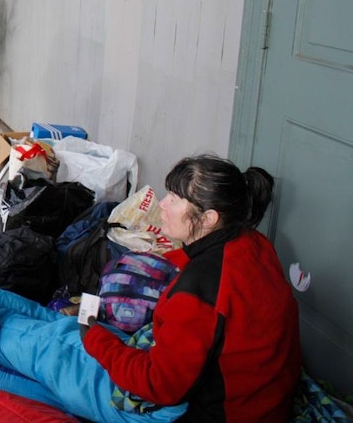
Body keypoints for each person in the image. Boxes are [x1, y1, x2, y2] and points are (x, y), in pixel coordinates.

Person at [80, 155, 302, 421]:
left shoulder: (197, 291)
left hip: (230, 414)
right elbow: (203, 263)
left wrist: (94, 339)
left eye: (174, 198)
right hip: (272, 401)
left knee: (74, 371)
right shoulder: (254, 242)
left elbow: (159, 385)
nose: (162, 204)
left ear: (208, 218)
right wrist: (147, 263)